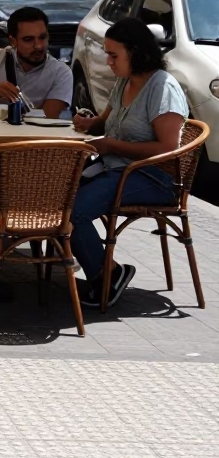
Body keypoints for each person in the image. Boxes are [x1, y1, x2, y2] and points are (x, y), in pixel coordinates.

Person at [72, 17, 188, 307]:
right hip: (116, 168)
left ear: (136, 52)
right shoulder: (124, 81)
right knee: (57, 194)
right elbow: (106, 123)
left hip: (152, 178)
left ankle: (107, 275)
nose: (108, 62)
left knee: (74, 211)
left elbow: (167, 147)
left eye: (114, 55)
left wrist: (110, 144)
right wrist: (88, 124)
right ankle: (100, 270)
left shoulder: (162, 87)